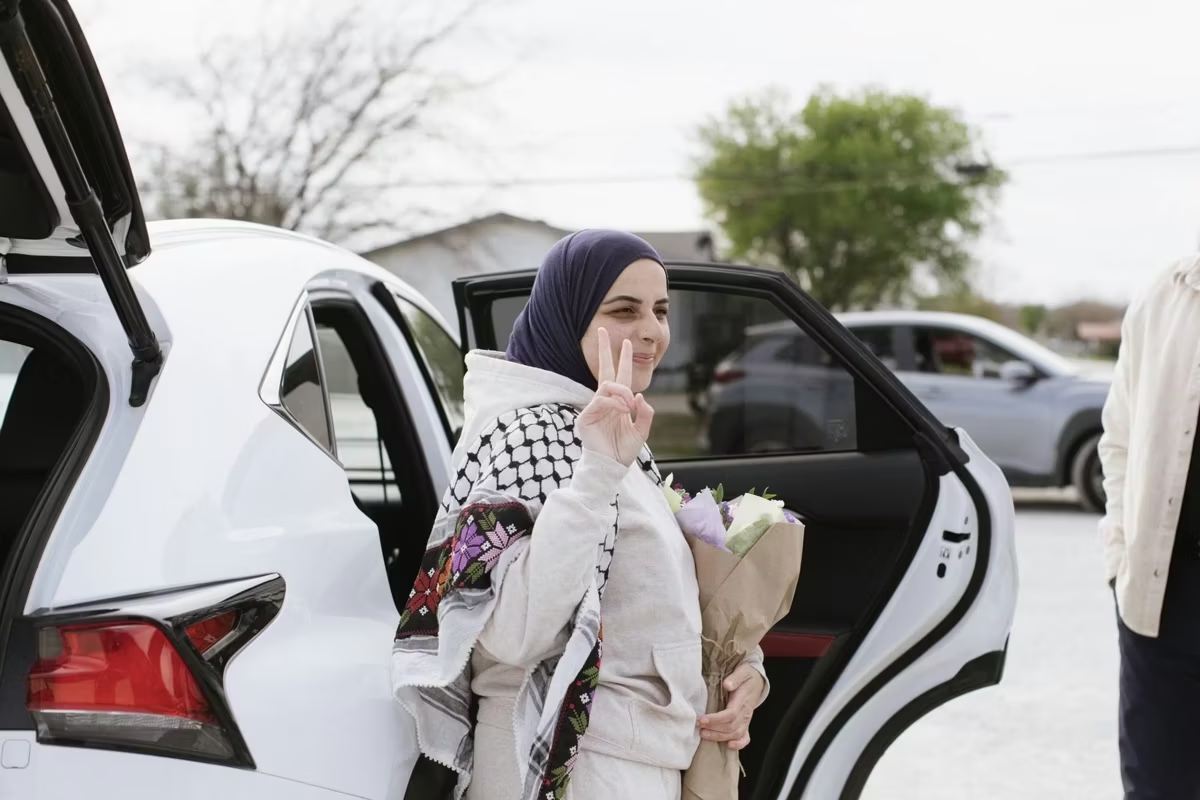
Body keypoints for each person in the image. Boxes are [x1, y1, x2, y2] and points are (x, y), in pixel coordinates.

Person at [391, 229, 768, 800]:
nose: (651, 330)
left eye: (661, 310)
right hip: (567, 761)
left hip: (629, 758)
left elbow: (648, 601)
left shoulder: (605, 429)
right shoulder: (531, 434)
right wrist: (596, 473)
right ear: (567, 320)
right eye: (623, 310)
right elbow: (511, 636)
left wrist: (744, 673)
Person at [1099, 253, 1200, 799]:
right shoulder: (1166, 295)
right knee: (1156, 787)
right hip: (1161, 603)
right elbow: (1119, 439)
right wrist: (1120, 559)